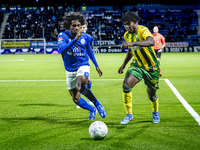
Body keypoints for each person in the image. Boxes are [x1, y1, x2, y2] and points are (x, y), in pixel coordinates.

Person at [57, 12, 106, 120]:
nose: (76, 28)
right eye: (74, 25)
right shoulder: (63, 35)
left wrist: (96, 65)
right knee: (76, 99)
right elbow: (61, 50)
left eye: (78, 26)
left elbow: (89, 50)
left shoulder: (86, 37)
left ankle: (97, 104)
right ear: (68, 25)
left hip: (82, 64)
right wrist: (75, 40)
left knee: (81, 84)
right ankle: (92, 109)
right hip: (70, 69)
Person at [118, 12, 160, 124]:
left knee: (152, 95)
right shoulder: (127, 35)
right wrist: (123, 65)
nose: (126, 26)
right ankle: (129, 114)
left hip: (152, 68)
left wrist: (131, 43)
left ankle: (155, 112)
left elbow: (151, 41)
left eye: (128, 24)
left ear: (135, 22)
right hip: (137, 65)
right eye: (124, 24)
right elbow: (130, 52)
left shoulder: (142, 30)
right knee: (126, 84)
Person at [76, 22, 94, 108]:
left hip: (85, 62)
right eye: (81, 27)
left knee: (88, 80)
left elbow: (89, 49)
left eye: (84, 27)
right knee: (79, 82)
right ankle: (79, 100)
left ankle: (89, 98)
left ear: (86, 28)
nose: (83, 29)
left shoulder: (88, 38)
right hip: (77, 62)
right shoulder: (76, 37)